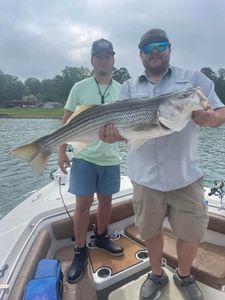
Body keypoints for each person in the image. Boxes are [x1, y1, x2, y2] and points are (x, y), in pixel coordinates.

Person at [99, 29, 225, 300]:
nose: (154, 51)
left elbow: (219, 110)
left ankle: (183, 274)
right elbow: (122, 128)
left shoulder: (192, 80)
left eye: (160, 45)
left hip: (185, 176)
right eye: (148, 47)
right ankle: (156, 274)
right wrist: (112, 134)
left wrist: (212, 118)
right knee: (150, 231)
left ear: (169, 48)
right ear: (141, 54)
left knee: (190, 234)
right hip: (144, 178)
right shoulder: (129, 87)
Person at [58, 38, 124, 284]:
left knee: (106, 201)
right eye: (99, 56)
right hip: (84, 157)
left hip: (111, 158)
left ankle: (102, 236)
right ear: (92, 60)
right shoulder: (79, 87)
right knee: (83, 205)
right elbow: (65, 122)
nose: (104, 60)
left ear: (113, 59)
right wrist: (61, 152)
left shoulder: (123, 89)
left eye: (108, 56)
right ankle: (79, 250)